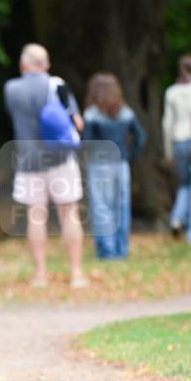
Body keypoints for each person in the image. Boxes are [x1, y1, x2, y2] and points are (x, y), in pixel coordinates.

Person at [4, 43, 87, 288]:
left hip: (28, 161)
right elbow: (77, 123)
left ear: (23, 64)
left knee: (35, 216)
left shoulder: (11, 89)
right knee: (69, 213)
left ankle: (40, 275)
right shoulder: (57, 85)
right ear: (46, 64)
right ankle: (76, 273)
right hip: (60, 158)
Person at [82, 73, 146, 259]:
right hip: (121, 163)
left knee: (102, 206)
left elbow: (86, 142)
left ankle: (106, 250)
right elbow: (140, 137)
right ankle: (121, 249)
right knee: (122, 207)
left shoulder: (92, 114)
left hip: (99, 164)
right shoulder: (125, 111)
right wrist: (130, 156)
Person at [162, 53, 191, 242]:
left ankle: (177, 217)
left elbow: (167, 124)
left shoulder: (172, 92)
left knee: (184, 185)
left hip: (179, 141)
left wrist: (169, 151)